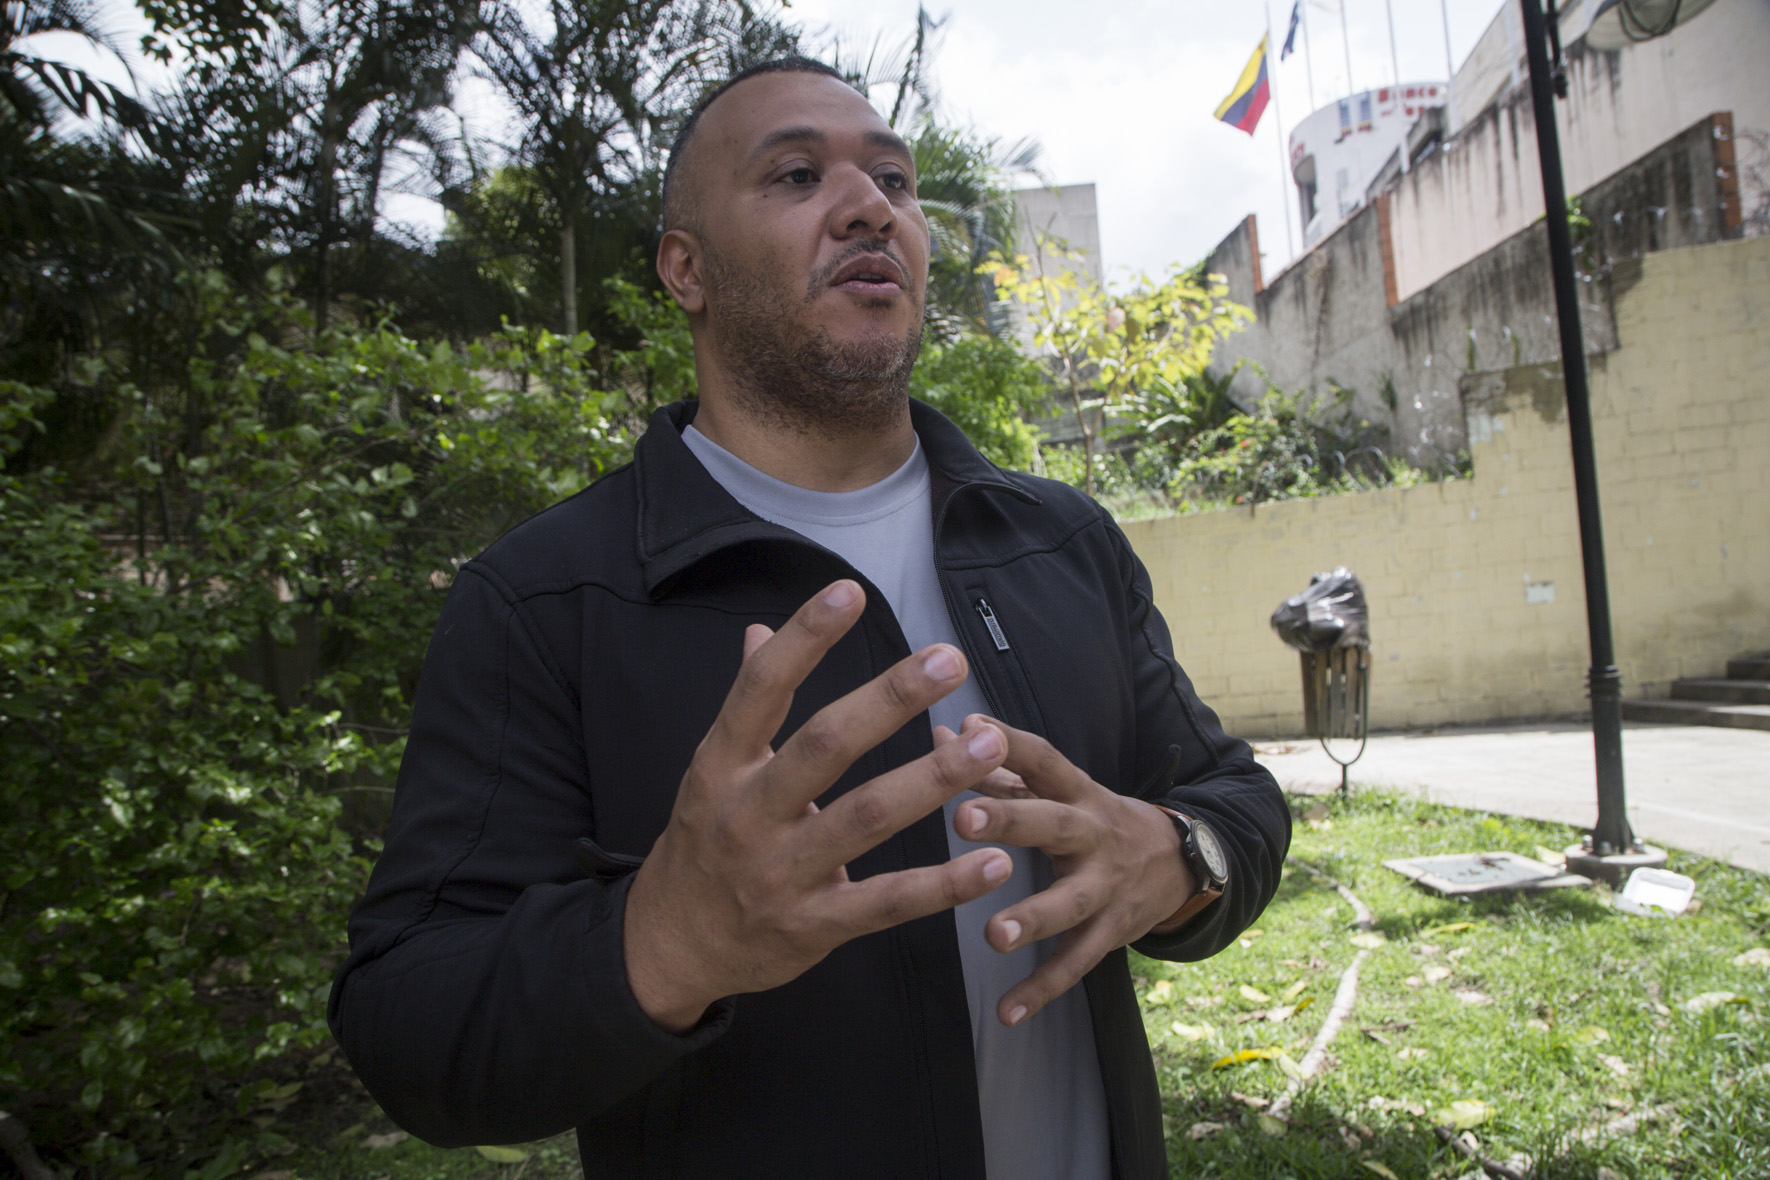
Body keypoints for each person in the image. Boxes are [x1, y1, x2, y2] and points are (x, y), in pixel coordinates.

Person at [329, 55, 1290, 1180]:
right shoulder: (545, 601)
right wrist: (661, 941)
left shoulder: (1061, 541)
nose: (870, 203)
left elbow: (1235, 797)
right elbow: (406, 1022)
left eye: (894, 177)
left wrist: (1181, 859)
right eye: (796, 175)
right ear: (685, 270)